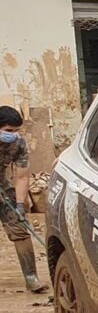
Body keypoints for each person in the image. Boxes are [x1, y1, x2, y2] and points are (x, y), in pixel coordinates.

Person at [0, 107, 46, 293]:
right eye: (9, 131)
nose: (14, 135)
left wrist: (20, 204)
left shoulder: (18, 145)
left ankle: (31, 277)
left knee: (20, 227)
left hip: (2, 185)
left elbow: (21, 177)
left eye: (17, 131)